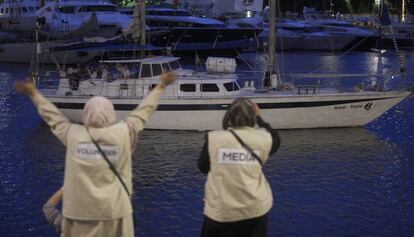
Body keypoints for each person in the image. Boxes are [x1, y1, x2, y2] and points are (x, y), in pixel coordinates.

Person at [15, 72, 176, 237]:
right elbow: (143, 113)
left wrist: (34, 93)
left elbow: (54, 118)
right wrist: (161, 86)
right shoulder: (121, 134)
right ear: (111, 115)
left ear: (86, 116)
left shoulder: (74, 135)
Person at [198, 98, 280, 237]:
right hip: (255, 211)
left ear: (228, 116)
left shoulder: (214, 139)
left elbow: (203, 167)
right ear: (252, 116)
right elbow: (276, 140)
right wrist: (260, 118)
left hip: (221, 212)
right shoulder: (264, 139)